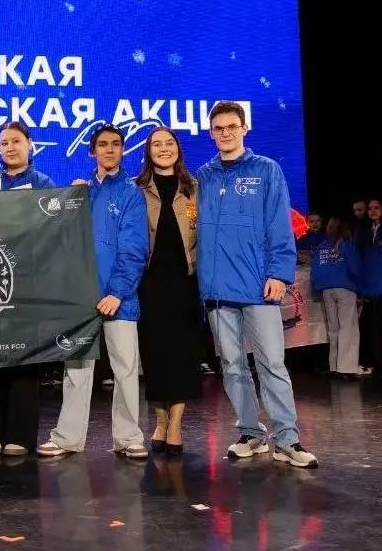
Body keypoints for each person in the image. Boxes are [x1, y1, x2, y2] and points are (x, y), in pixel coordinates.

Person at [196, 100, 318, 469]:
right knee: (232, 366)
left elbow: (279, 226)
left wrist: (279, 274)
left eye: (231, 126)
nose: (225, 133)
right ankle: (251, 433)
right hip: (218, 291)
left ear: (244, 128)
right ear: (211, 132)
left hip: (258, 288)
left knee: (272, 364)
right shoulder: (203, 176)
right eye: (219, 128)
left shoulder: (266, 170)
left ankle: (288, 438)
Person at [38, 123, 148, 460]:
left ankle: (128, 438)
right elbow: (63, 242)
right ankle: (67, 438)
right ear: (92, 151)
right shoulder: (81, 192)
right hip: (83, 299)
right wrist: (69, 201)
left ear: (123, 150)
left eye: (116, 144)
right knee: (76, 370)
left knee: (125, 370)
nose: (110, 150)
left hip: (119, 299)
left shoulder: (131, 193)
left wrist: (117, 292)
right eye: (103, 144)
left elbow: (134, 248)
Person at [0, 121, 55, 457]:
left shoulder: (44, 184)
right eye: (4, 142)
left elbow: (52, 231)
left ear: (29, 145)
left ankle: (20, 435)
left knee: (24, 356)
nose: (10, 147)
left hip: (26, 281)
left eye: (16, 141)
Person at [134, 126, 202, 455]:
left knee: (182, 355)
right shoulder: (136, 189)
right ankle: (160, 421)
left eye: (169, 143)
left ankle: (175, 424)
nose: (164, 149)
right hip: (149, 283)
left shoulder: (194, 188)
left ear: (178, 148)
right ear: (148, 152)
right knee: (155, 355)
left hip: (185, 282)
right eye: (157, 144)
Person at [311, 216, 362, 378]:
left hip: (327, 290)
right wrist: (360, 288)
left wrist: (318, 288)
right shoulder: (346, 244)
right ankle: (346, 369)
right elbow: (355, 267)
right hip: (345, 289)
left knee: (333, 329)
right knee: (348, 328)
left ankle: (333, 366)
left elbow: (315, 268)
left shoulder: (321, 246)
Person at [358, 198, 382, 378]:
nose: (373, 211)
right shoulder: (365, 232)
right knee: (373, 330)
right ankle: (377, 365)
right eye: (370, 208)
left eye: (377, 208)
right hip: (371, 290)